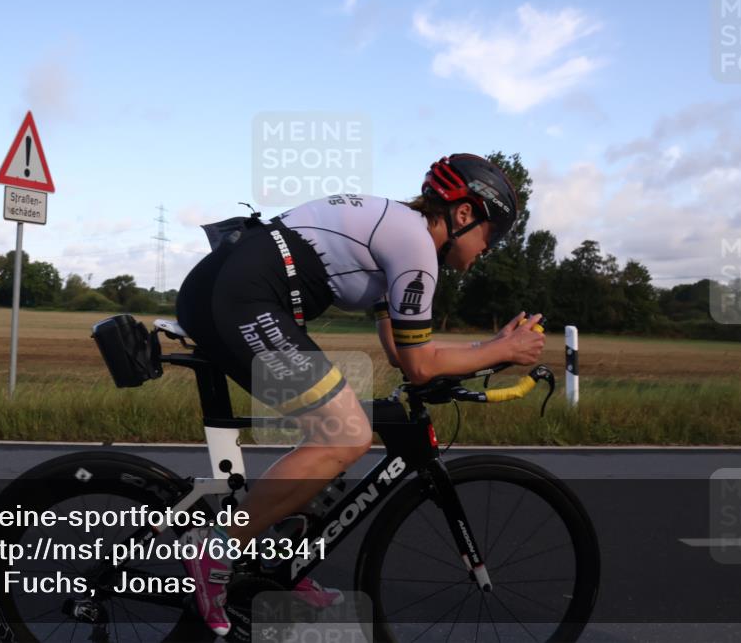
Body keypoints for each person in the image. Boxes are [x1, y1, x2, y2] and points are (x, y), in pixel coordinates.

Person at [174, 153, 546, 635]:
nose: (487, 249)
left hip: (228, 286)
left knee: (333, 432)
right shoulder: (414, 247)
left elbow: (401, 353)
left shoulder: (402, 234)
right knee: (345, 435)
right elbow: (419, 364)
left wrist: (492, 349)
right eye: (490, 235)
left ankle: (272, 567)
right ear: (463, 213)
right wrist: (499, 348)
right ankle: (215, 549)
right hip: (241, 296)